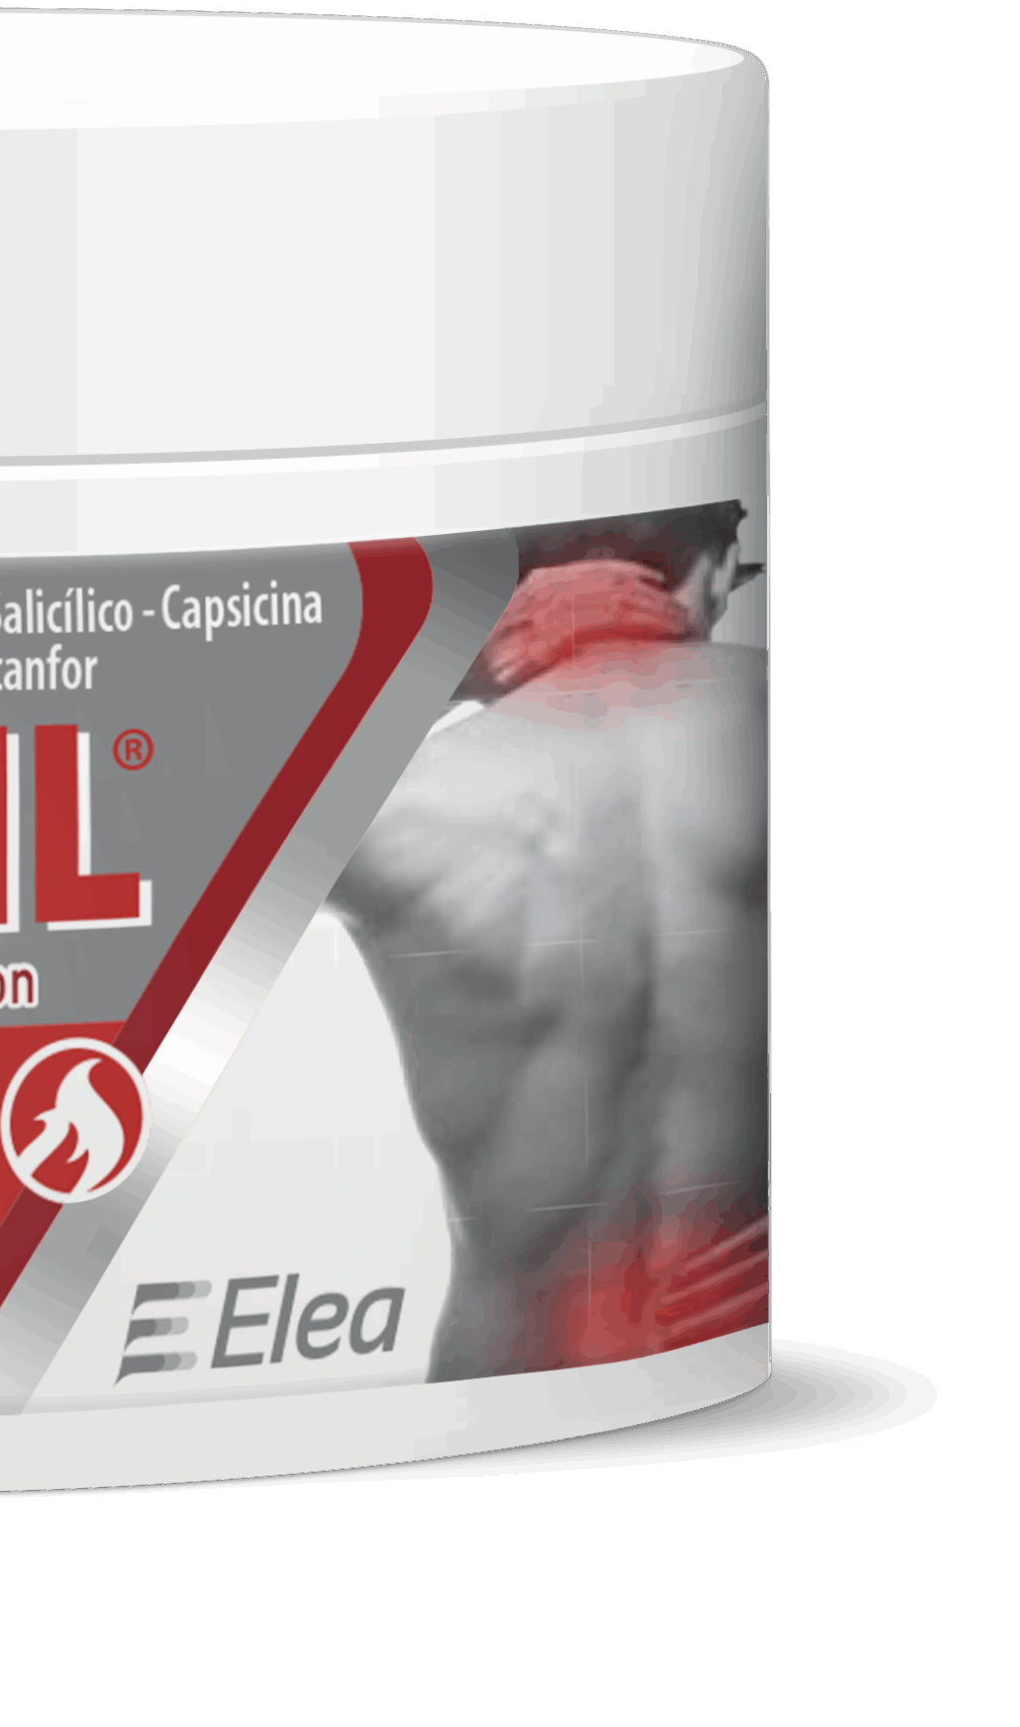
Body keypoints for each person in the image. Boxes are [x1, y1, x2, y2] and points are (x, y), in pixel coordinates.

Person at [330, 503, 769, 1381]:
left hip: (512, 1385)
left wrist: (438, 656)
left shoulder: (384, 800)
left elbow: (125, 822)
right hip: (734, 1352)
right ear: (718, 564)